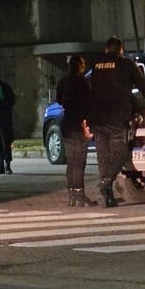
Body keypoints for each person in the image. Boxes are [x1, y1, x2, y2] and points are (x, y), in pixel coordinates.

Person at [88, 37, 145, 207]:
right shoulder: (126, 64)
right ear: (121, 50)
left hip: (97, 117)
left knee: (103, 156)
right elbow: (144, 88)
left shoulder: (96, 65)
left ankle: (108, 195)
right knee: (121, 153)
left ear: (106, 49)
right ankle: (105, 183)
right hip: (117, 116)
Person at [56, 56, 96, 207]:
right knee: (79, 162)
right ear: (80, 65)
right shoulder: (82, 82)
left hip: (66, 124)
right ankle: (79, 194)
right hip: (78, 125)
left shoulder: (63, 81)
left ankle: (72, 195)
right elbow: (88, 102)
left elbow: (59, 100)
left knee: (71, 162)